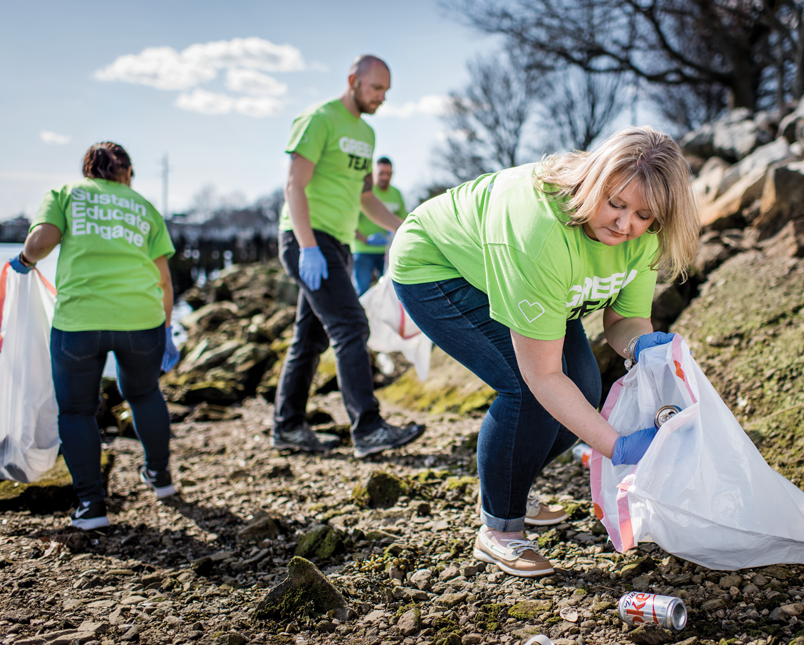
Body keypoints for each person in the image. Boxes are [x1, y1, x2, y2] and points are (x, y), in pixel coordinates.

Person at [389, 127, 699, 577]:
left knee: (586, 389)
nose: (624, 224)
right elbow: (542, 377)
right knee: (526, 391)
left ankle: (508, 479)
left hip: (526, 278)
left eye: (643, 215)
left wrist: (643, 346)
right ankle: (500, 529)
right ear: (594, 182)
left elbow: (623, 321)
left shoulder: (642, 237)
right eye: (615, 203)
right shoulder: (540, 233)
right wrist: (616, 446)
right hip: (437, 267)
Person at [9, 142, 180, 530]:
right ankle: (161, 478)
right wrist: (167, 329)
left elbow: (40, 244)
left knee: (76, 411)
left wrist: (23, 262)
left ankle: (91, 506)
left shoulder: (66, 194)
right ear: (127, 173)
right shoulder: (144, 207)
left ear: (89, 170)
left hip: (79, 322)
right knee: (144, 393)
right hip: (142, 320)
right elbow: (164, 280)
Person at [273, 54, 425, 458]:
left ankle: (287, 426)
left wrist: (403, 226)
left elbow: (365, 198)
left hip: (337, 244)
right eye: (376, 88)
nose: (381, 98)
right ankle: (368, 428)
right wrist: (306, 246)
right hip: (307, 239)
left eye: (386, 92)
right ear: (353, 80)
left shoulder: (367, 135)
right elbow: (294, 186)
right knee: (351, 326)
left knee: (309, 338)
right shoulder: (319, 119)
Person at [351, 156, 408, 295]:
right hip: (362, 251)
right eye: (381, 173)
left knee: (390, 290)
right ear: (374, 173)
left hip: (387, 252)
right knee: (362, 289)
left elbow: (403, 219)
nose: (384, 177)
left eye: (388, 174)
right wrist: (364, 239)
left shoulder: (396, 194)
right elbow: (351, 221)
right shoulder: (366, 194)